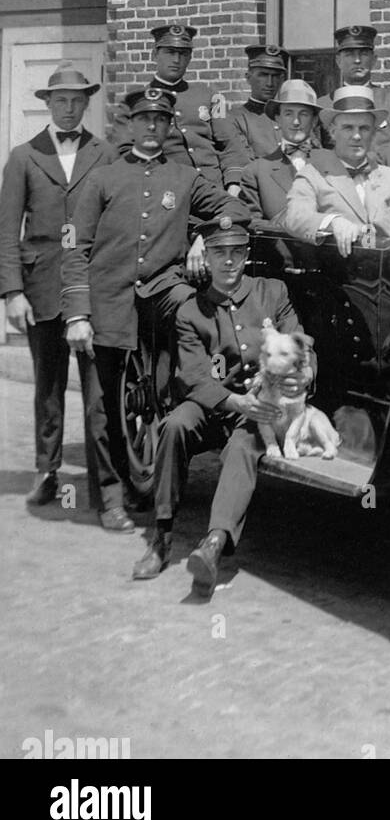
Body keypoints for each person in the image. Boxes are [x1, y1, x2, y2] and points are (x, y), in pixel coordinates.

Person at [61, 87, 244, 531]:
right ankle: (110, 499)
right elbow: (75, 245)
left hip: (162, 289)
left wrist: (205, 233)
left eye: (160, 121)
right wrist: (77, 314)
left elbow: (232, 208)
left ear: (167, 127)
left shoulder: (183, 177)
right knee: (101, 406)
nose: (151, 128)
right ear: (130, 124)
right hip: (108, 298)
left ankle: (207, 398)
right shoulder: (104, 178)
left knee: (197, 311)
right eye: (144, 119)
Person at [131, 216, 314, 591]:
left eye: (236, 252)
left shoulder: (272, 292)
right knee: (174, 425)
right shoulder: (191, 311)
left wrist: (303, 377)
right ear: (206, 258)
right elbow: (194, 377)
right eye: (219, 253)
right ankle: (162, 537)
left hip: (261, 406)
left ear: (247, 255)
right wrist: (234, 402)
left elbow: (300, 345)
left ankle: (213, 545)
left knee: (243, 448)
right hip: (214, 402)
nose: (228, 261)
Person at [0, 66, 115, 512]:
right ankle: (47, 472)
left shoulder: (104, 155)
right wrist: (12, 292)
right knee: (48, 388)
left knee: (98, 392)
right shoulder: (23, 156)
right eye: (60, 101)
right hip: (41, 284)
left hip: (89, 286)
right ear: (48, 104)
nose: (68, 109)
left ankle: (103, 484)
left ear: (87, 103)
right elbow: (8, 230)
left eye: (76, 101)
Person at [285, 86, 390, 253]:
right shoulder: (312, 174)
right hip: (338, 271)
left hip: (386, 268)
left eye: (364, 128)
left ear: (374, 133)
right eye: (348, 128)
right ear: (332, 132)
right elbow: (295, 217)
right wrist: (333, 222)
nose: (357, 136)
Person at [110, 22, 228, 188]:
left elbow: (229, 145)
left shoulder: (212, 97)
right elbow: (124, 150)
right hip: (166, 187)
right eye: (170, 52)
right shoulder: (134, 102)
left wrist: (233, 184)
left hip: (212, 186)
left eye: (183, 53)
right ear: (154, 55)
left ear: (190, 57)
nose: (176, 60)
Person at [319, 24, 390, 165]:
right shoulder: (323, 105)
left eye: (364, 54)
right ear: (338, 61)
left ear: (374, 59)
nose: (357, 60)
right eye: (349, 54)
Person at [238, 79, 322, 226]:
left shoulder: (334, 165)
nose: (296, 122)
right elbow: (251, 225)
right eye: (288, 114)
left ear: (314, 120)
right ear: (278, 119)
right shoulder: (256, 172)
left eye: (303, 114)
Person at [217, 43, 289, 194]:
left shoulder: (291, 117)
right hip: (260, 194)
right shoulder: (235, 118)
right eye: (262, 75)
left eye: (275, 76)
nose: (270, 83)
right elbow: (241, 164)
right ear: (248, 77)